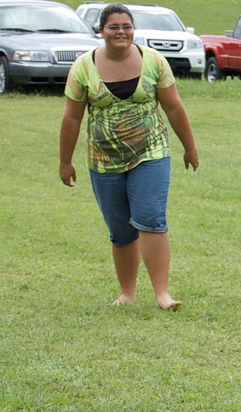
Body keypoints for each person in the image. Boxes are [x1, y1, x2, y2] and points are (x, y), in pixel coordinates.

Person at [58, 3, 198, 310]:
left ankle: (162, 294)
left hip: (151, 151)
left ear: (133, 29)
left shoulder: (154, 61)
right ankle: (127, 293)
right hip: (103, 159)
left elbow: (173, 106)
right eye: (113, 27)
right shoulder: (83, 67)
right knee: (120, 228)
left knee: (151, 218)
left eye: (126, 26)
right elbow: (71, 118)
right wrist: (65, 161)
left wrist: (189, 146)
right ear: (101, 31)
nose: (121, 32)